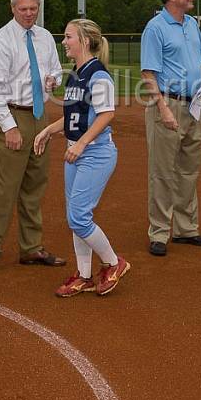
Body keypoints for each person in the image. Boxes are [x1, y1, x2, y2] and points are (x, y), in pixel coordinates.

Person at [33, 19, 129, 297]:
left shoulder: (98, 75)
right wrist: (48, 131)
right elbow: (73, 116)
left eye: (68, 37)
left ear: (84, 41)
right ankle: (85, 275)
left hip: (95, 152)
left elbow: (106, 114)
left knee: (78, 218)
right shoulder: (77, 74)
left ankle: (113, 263)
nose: (64, 42)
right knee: (78, 217)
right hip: (76, 151)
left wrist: (82, 143)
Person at [0, 0, 66, 275]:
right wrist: (8, 128)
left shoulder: (45, 38)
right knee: (4, 189)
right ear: (13, 8)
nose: (29, 14)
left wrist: (53, 79)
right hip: (13, 117)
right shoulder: (2, 40)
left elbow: (55, 70)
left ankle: (31, 248)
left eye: (33, 8)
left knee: (34, 186)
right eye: (23, 9)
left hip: (40, 117)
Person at [140, 0, 201, 257]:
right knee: (162, 172)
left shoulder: (192, 26)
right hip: (167, 105)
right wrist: (162, 110)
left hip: (194, 105)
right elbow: (148, 73)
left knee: (188, 169)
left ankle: (186, 229)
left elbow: (200, 60)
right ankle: (159, 232)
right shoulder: (156, 28)